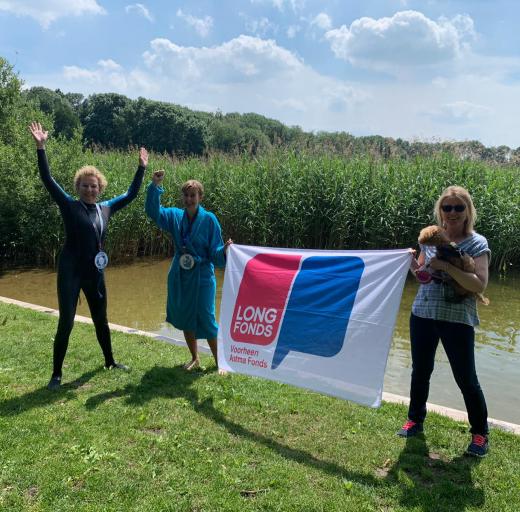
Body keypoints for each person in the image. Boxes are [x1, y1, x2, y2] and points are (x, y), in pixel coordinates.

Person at [29, 121, 148, 390]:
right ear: (78, 187)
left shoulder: (106, 209)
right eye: (85, 185)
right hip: (71, 271)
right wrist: (41, 147)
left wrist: (141, 168)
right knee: (66, 322)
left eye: (94, 186)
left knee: (101, 319)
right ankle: (56, 375)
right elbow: (48, 180)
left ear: (100, 188)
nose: (90, 190)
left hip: (95, 272)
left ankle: (109, 361)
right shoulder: (69, 206)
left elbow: (131, 194)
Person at [397, 186, 490, 457]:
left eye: (458, 208)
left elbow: (480, 284)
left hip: (457, 319)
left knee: (466, 378)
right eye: (447, 207)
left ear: (467, 211)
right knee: (420, 371)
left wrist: (448, 266)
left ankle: (480, 434)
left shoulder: (477, 244)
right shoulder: (430, 238)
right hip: (423, 314)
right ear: (441, 210)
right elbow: (425, 277)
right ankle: (415, 420)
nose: (452, 213)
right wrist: (414, 263)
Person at [145, 169, 232, 373]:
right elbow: (153, 212)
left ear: (200, 197)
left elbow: (215, 251)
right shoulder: (175, 216)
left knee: (207, 317)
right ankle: (195, 357)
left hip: (202, 275)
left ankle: (221, 362)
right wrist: (155, 187)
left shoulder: (209, 220)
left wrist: (226, 250)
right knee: (185, 316)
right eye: (186, 195)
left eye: (193, 195)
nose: (189, 199)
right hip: (181, 274)